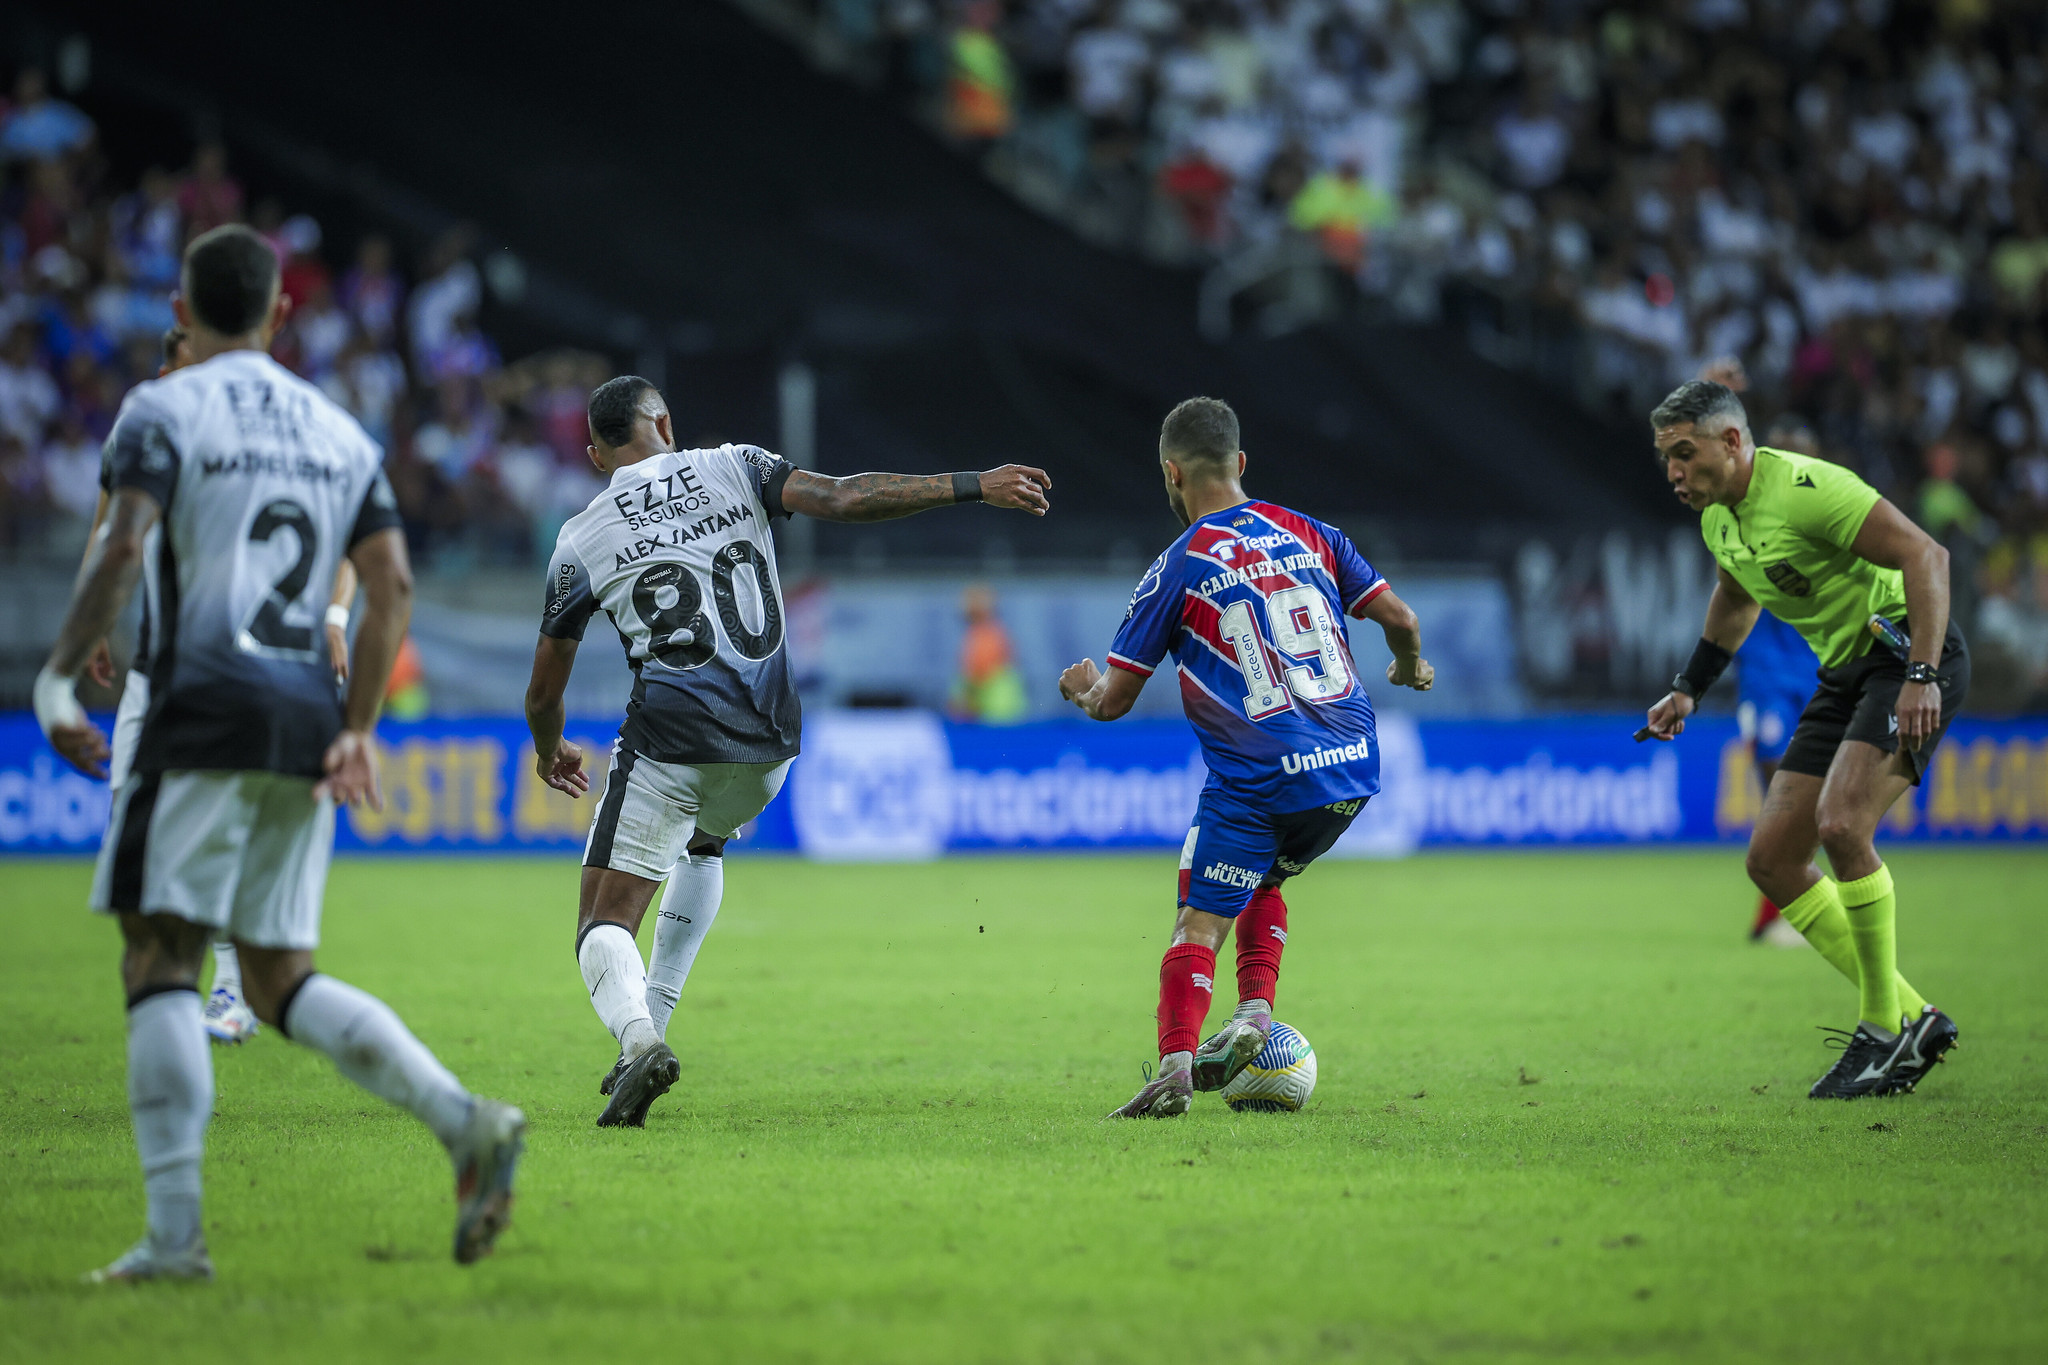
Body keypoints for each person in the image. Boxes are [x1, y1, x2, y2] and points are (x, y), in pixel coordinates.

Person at [35, 225, 523, 1282]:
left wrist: (55, 674)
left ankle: (174, 1242)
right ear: (281, 313)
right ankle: (462, 1121)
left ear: (179, 311)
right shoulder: (338, 429)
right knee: (275, 975)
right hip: (303, 718)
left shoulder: (163, 408)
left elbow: (122, 544)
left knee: (158, 958)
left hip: (196, 707)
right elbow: (389, 587)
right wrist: (355, 727)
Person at [522, 375, 1051, 1127]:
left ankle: (638, 1036)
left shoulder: (580, 537)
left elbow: (544, 695)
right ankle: (653, 1033)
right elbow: (844, 496)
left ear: (596, 455)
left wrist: (550, 751)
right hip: (771, 744)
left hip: (671, 738)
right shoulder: (734, 463)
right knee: (704, 843)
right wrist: (975, 484)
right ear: (665, 423)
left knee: (600, 922)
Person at [1056, 397, 1434, 1119]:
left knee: (1198, 918)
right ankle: (1256, 1009)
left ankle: (1173, 1065)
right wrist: (1412, 665)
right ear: (1242, 463)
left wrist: (1082, 689)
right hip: (1353, 765)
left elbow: (1114, 701)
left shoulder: (1177, 564)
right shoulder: (1313, 532)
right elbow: (1402, 620)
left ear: (1171, 473)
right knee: (1262, 875)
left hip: (1261, 774)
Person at [1642, 379, 1967, 1100]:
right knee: (1773, 860)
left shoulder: (1808, 488)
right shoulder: (1719, 521)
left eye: (1685, 454)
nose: (1674, 473)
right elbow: (1735, 594)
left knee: (1844, 825)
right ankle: (1914, 1015)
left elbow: (1929, 556)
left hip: (1907, 657)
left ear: (1732, 442)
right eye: (1666, 458)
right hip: (1846, 672)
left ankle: (1883, 1033)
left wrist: (1921, 673)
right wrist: (1690, 684)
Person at [1737, 416, 1823, 947]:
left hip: (1818, 673)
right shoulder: (1743, 517)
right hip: (1764, 676)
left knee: (1808, 802)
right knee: (1778, 790)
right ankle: (1780, 912)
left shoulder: (1832, 520)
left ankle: (1785, 912)